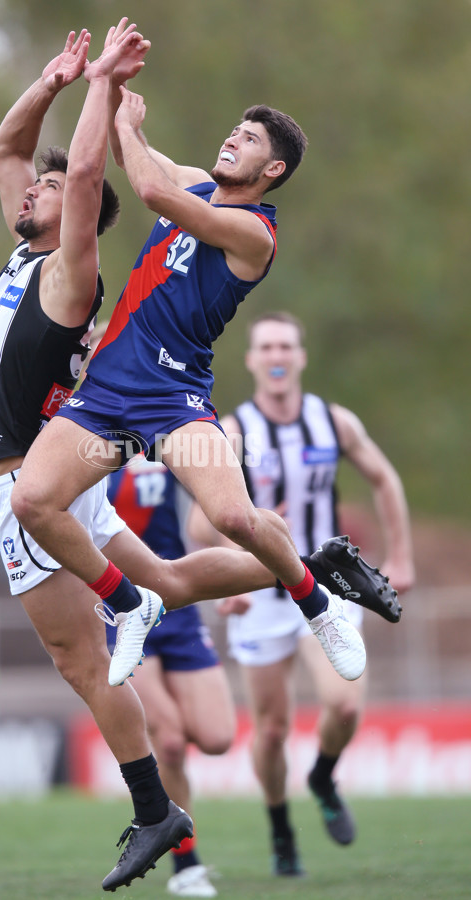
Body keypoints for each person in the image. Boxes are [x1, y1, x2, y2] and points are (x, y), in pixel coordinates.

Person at [0, 23, 353, 893]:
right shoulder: (21, 247)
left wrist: (111, 96)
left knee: (84, 659)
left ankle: (155, 809)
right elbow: (9, 147)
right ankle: (308, 568)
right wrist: (64, 80)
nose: (30, 188)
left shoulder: (70, 265)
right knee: (175, 581)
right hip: (99, 427)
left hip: (87, 447)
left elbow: (117, 179)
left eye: (49, 188)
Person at [12, 64, 400, 712]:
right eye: (235, 131)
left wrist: (131, 131)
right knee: (33, 502)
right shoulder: (197, 181)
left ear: (272, 171)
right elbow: (123, 146)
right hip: (105, 396)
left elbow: (153, 192)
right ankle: (128, 601)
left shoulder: (254, 233)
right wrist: (105, 77)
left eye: (249, 140)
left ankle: (316, 601)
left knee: (232, 518)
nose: (232, 140)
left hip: (173, 401)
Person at [190, 311, 415, 877]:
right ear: (252, 359)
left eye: (285, 344)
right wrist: (235, 566)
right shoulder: (234, 432)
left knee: (342, 702)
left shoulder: (332, 422)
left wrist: (402, 554)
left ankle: (321, 776)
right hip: (262, 594)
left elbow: (384, 478)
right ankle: (281, 829)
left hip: (329, 586)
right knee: (271, 728)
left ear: (301, 356)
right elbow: (199, 522)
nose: (276, 355)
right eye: (265, 346)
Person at [107, 452, 231, 898]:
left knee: (218, 737)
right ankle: (187, 864)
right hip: (119, 608)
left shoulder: (167, 432)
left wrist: (235, 559)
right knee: (172, 742)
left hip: (176, 604)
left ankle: (168, 754)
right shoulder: (79, 441)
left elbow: (210, 504)